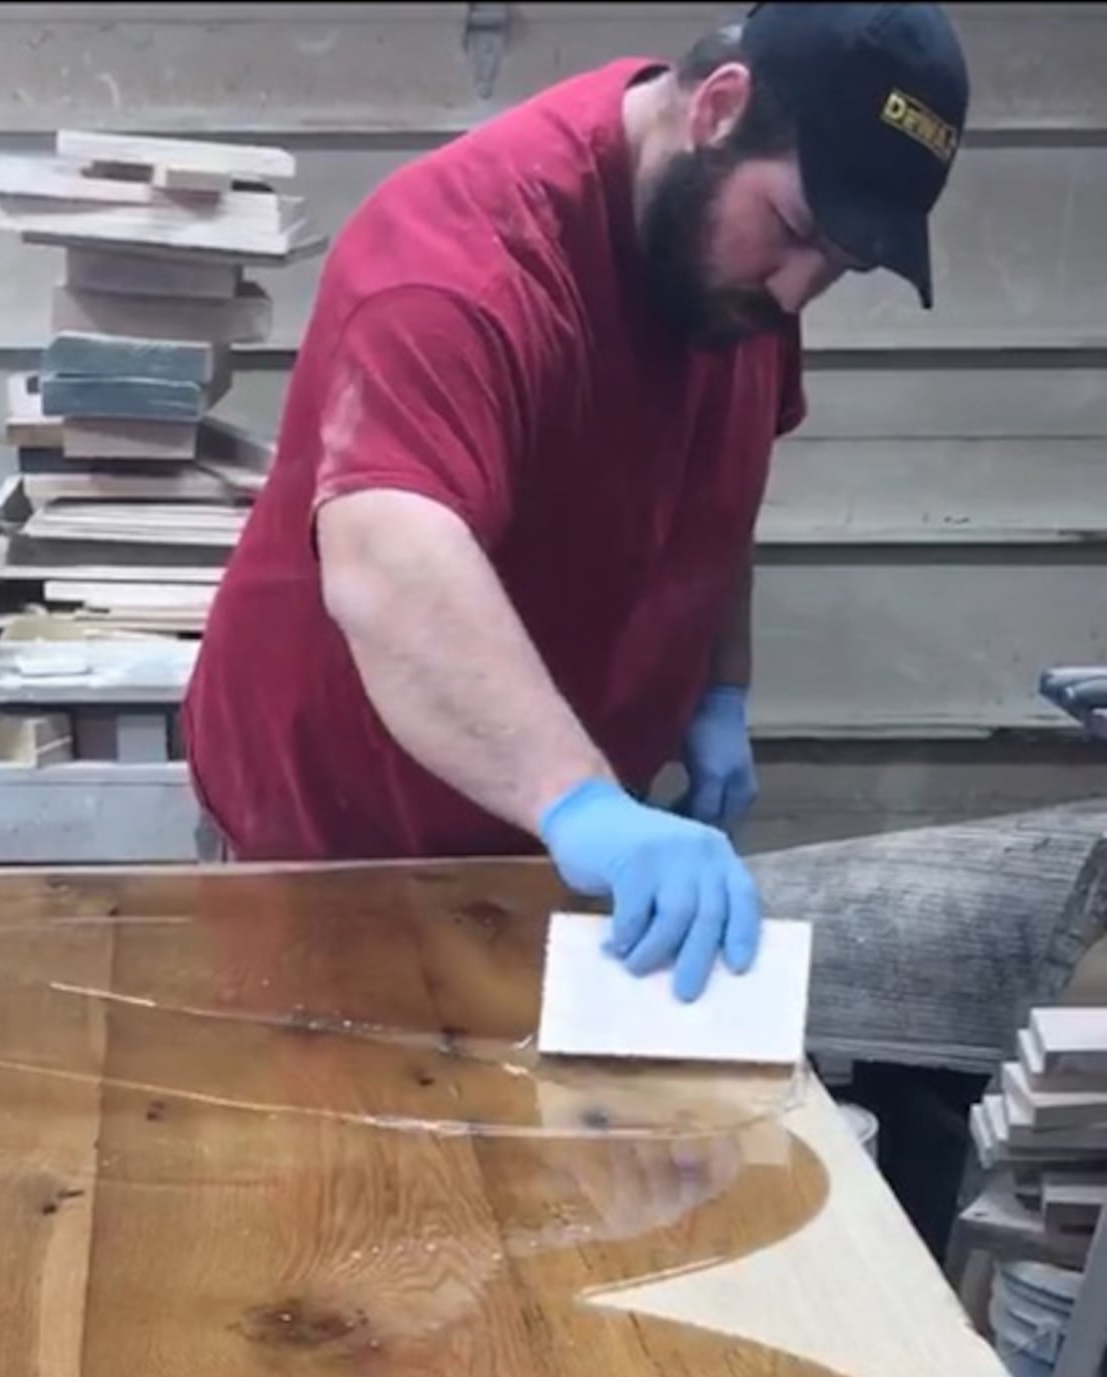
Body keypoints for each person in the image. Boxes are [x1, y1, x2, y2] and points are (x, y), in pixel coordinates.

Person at [182, 2, 970, 1001]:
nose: (795, 292)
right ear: (717, 110)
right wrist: (584, 804)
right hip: (334, 850)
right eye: (796, 233)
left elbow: (721, 485)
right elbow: (389, 563)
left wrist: (720, 686)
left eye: (838, 267)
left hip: (554, 834)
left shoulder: (731, 272)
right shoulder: (457, 266)